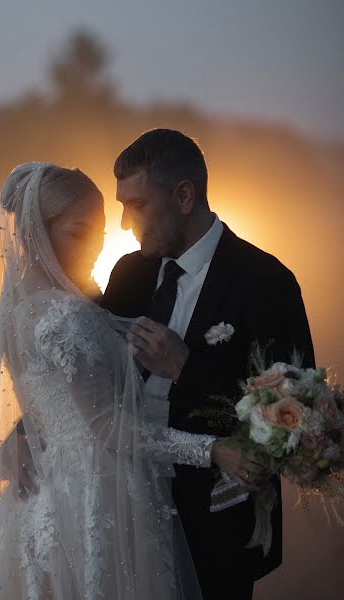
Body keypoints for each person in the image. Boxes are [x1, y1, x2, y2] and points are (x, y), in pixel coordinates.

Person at [0, 162, 222, 600]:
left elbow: (57, 396)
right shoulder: (65, 313)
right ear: (36, 231)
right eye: (78, 232)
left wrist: (25, 435)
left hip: (46, 494)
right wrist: (212, 449)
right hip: (95, 494)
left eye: (100, 235)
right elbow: (103, 422)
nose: (93, 247)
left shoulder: (18, 313)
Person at [101, 128, 315, 599]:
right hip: (126, 513)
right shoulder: (128, 271)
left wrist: (186, 369)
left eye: (135, 206)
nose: (123, 224)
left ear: (183, 196)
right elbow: (88, 366)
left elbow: (294, 421)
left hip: (215, 530)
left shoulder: (266, 282)